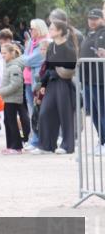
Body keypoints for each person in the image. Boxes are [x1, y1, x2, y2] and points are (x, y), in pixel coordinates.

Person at [32, 19, 80, 155]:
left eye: (52, 29)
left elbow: (71, 67)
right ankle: (46, 145)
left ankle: (67, 145)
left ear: (59, 31)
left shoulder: (68, 47)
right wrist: (42, 84)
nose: (50, 30)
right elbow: (47, 67)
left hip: (63, 83)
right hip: (51, 82)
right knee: (45, 112)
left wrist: (56, 67)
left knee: (65, 114)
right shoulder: (51, 47)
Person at [20, 19, 49, 149]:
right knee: (32, 112)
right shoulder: (32, 42)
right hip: (27, 81)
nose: (30, 31)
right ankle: (35, 139)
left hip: (37, 81)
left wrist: (26, 60)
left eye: (33, 29)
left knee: (39, 112)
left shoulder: (45, 42)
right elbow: (24, 59)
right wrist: (26, 60)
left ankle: (40, 140)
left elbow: (28, 60)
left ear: (40, 29)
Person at [79, 8, 105, 147]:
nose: (92, 21)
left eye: (95, 19)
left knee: (102, 111)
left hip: (100, 80)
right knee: (94, 112)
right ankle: (102, 140)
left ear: (102, 19)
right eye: (90, 18)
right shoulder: (89, 34)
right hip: (87, 80)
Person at [0, 42, 27, 154]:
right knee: (7, 121)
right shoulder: (8, 65)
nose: (2, 55)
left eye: (4, 53)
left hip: (13, 99)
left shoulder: (14, 67)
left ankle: (16, 146)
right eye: (1, 53)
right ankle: (10, 145)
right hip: (8, 99)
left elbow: (15, 84)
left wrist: (0, 91)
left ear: (12, 53)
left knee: (11, 122)